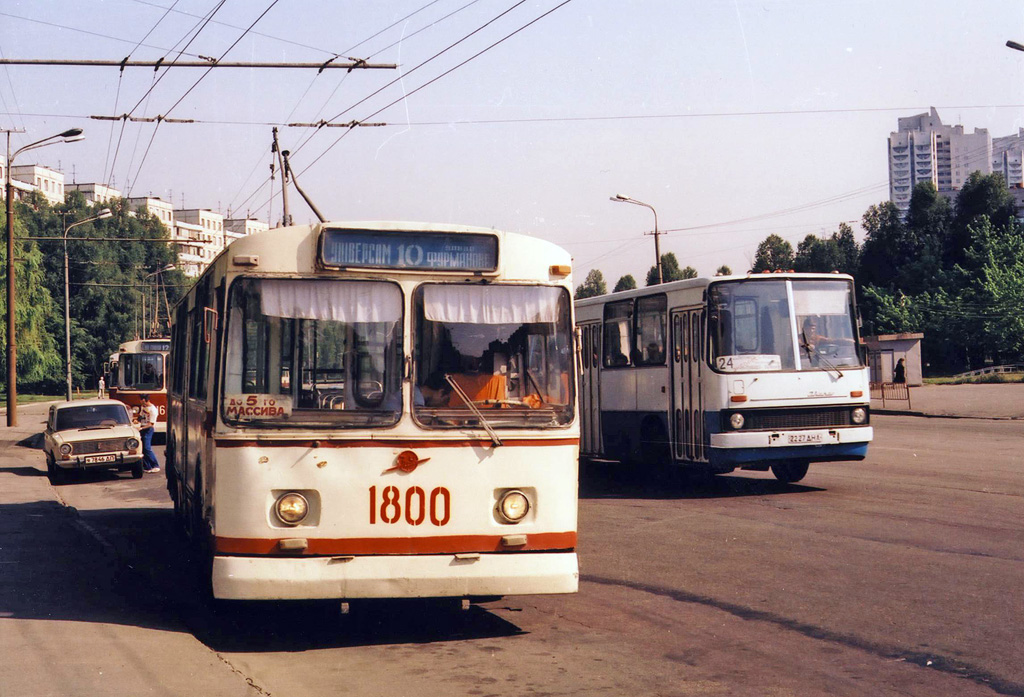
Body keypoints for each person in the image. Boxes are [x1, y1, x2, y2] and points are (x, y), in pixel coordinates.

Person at [137, 394, 160, 473]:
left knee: (147, 448)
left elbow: (151, 424)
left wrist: (141, 428)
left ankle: (155, 465)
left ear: (144, 400)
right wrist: (136, 421)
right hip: (142, 428)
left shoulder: (153, 410)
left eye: (140, 399)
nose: (139, 401)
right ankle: (147, 467)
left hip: (148, 430)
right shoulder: (143, 407)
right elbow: (140, 416)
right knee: (142, 448)